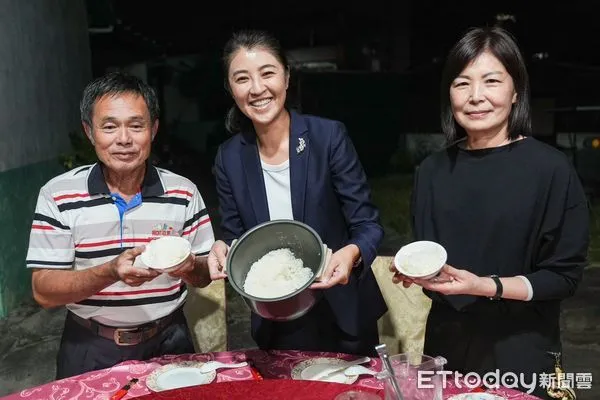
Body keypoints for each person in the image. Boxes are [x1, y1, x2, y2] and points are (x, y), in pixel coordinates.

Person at [390, 27, 589, 399]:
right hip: (445, 350)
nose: (476, 96)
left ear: (516, 92)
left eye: (491, 81)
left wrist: (484, 285)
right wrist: (417, 272)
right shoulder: (432, 170)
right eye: (462, 83)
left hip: (520, 351)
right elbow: (433, 255)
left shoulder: (550, 169)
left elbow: (563, 277)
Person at [206, 30, 387, 356]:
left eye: (268, 73)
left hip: (341, 310)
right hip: (276, 319)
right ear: (231, 90)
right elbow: (235, 237)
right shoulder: (229, 157)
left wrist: (351, 254)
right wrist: (222, 247)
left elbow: (368, 225)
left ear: (287, 78)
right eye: (242, 78)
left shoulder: (327, 137)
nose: (257, 88)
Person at [26, 71, 216, 379]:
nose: (124, 139)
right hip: (89, 347)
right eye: (110, 126)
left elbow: (205, 275)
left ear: (153, 129)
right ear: (89, 132)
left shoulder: (183, 193)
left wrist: (189, 266)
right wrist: (111, 271)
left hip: (170, 340)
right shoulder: (58, 195)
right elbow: (43, 291)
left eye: (136, 125)